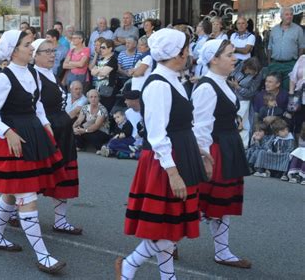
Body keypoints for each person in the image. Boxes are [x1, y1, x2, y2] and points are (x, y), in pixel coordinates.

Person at [116, 28, 211, 280]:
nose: (190, 54)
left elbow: (177, 124)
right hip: (165, 159)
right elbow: (157, 134)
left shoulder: (171, 79)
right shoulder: (159, 84)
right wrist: (172, 172)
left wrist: (198, 149)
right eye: (187, 49)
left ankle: (160, 275)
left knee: (170, 225)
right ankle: (130, 265)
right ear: (178, 54)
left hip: (178, 153)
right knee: (167, 226)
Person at [0, 30, 67, 274]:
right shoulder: (3, 78)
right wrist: (7, 132)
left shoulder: (32, 73)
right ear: (14, 50)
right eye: (28, 45)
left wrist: (46, 128)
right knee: (26, 195)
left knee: (11, 193)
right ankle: (43, 255)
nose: (32, 49)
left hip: (33, 134)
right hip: (12, 139)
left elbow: (36, 105)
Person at [192, 39, 251, 268]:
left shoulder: (223, 82)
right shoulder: (207, 87)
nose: (234, 58)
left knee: (219, 203)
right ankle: (168, 242)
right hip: (215, 148)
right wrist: (204, 158)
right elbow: (200, 127)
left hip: (228, 145)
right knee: (203, 201)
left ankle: (222, 251)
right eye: (229, 54)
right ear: (213, 59)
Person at [32, 38, 82, 234]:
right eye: (46, 51)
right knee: (34, 175)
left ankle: (60, 220)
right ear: (34, 55)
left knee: (63, 174)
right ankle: (14, 212)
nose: (52, 54)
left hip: (62, 129)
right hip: (46, 129)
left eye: (53, 50)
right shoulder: (32, 76)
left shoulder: (51, 74)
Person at [228, 57, 263, 147]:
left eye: (255, 71)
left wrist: (237, 87)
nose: (253, 73)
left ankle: (243, 146)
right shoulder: (238, 64)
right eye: (252, 70)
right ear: (246, 66)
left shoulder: (258, 75)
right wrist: (230, 83)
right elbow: (227, 77)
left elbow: (251, 93)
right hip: (229, 97)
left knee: (242, 124)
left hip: (243, 101)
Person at [267, 7, 305, 91]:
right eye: (287, 14)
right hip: (275, 64)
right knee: (272, 89)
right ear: (281, 16)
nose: (289, 16)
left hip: (290, 65)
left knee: (287, 89)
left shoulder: (298, 30)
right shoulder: (274, 29)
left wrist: (297, 63)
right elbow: (269, 47)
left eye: (291, 14)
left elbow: (301, 47)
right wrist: (269, 63)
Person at [73, 89, 110, 153]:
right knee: (76, 130)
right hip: (89, 128)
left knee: (88, 135)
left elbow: (96, 125)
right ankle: (80, 145)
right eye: (91, 97)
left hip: (102, 131)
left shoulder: (102, 110)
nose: (93, 99)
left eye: (95, 97)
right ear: (88, 99)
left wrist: (84, 131)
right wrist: (73, 127)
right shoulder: (85, 107)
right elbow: (79, 121)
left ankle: (102, 148)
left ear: (99, 98)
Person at [90, 39, 118, 111]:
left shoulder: (113, 60)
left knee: (105, 111)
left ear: (110, 48)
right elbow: (92, 72)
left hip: (108, 90)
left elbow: (104, 73)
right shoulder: (101, 59)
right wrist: (101, 69)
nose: (101, 49)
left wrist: (98, 70)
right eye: (101, 47)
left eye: (103, 48)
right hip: (99, 89)